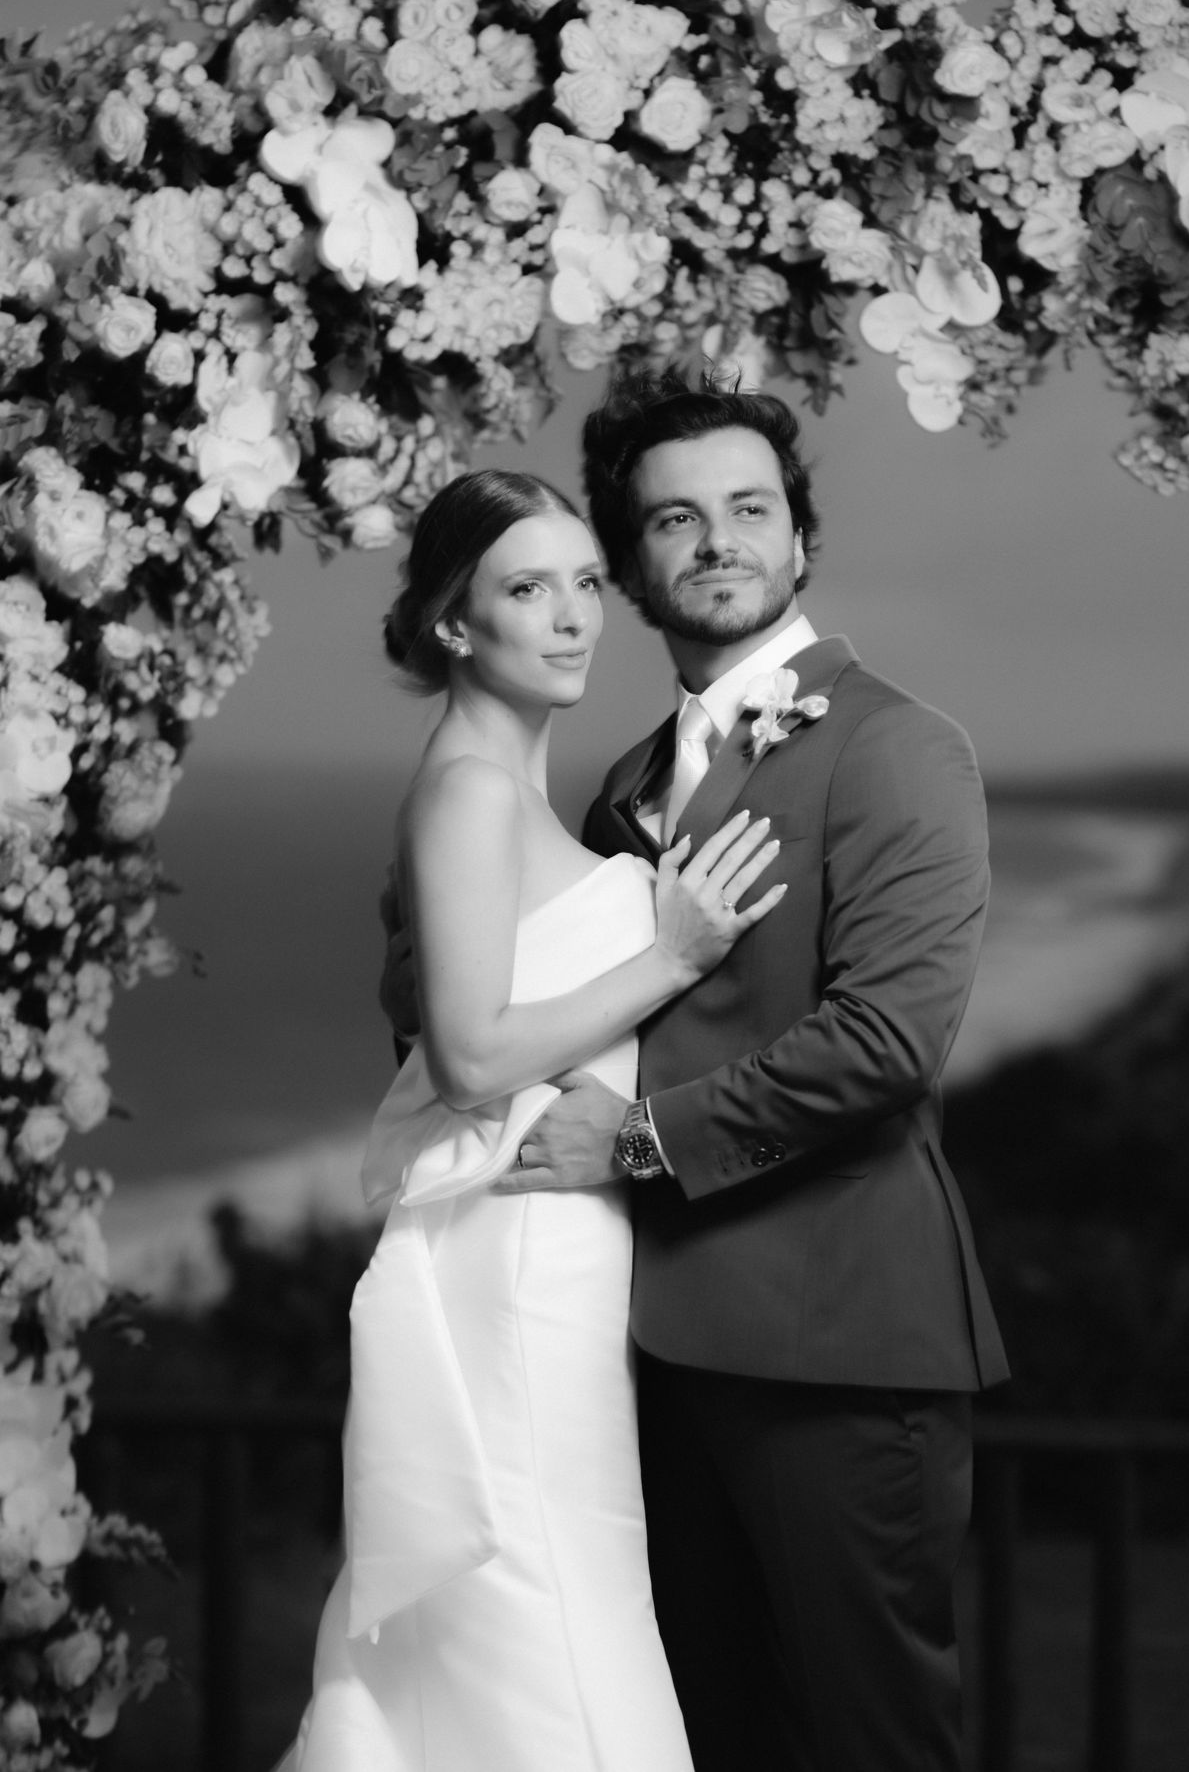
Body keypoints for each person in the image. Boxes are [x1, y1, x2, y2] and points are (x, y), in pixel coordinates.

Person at [489, 368, 1011, 1772]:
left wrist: (634, 1143)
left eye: (749, 507)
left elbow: (885, 1043)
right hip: (651, 1351)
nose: (717, 538)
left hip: (837, 1349)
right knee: (709, 1741)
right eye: (675, 518)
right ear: (631, 565)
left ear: (798, 538)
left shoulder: (900, 748)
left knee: (868, 1741)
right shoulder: (626, 784)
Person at [278, 468, 785, 1772]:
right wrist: (670, 955)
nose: (569, 617)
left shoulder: (511, 789)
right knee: (551, 1599)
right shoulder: (467, 790)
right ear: (455, 622)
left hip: (557, 1241)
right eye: (525, 587)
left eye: (584, 583)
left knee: (553, 1587)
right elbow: (466, 1055)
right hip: (518, 1253)